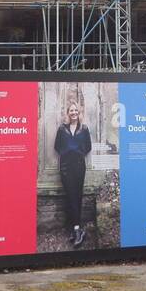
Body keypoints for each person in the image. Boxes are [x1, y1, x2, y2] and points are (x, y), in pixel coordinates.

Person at [53, 99, 92, 249]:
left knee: (77, 195)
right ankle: (76, 229)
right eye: (71, 110)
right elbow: (57, 146)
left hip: (79, 167)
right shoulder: (62, 129)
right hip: (65, 168)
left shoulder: (84, 129)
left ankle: (77, 230)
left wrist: (78, 153)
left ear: (79, 112)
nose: (74, 113)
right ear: (68, 113)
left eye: (76, 110)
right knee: (70, 197)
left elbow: (88, 147)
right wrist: (67, 153)